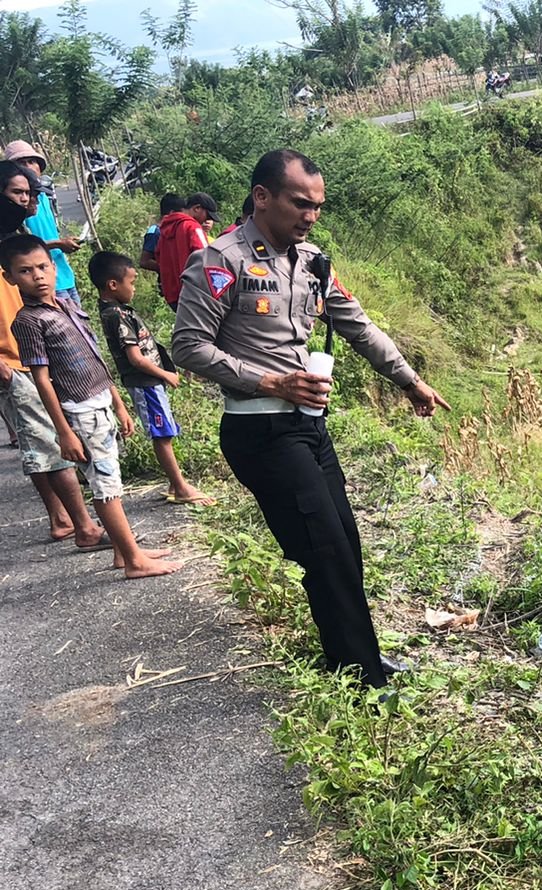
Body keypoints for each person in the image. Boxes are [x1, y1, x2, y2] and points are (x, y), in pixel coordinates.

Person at [172, 148, 446, 687]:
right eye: (300, 203)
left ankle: (357, 656)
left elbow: (359, 326)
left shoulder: (312, 262)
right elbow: (187, 346)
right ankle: (362, 676)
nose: (311, 215)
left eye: (317, 205)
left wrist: (409, 381)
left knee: (344, 545)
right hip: (260, 428)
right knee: (324, 550)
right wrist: (271, 381)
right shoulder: (221, 261)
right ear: (262, 197)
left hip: (308, 426)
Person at [2, 233, 178, 577]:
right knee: (105, 485)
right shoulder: (28, 322)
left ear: (54, 267)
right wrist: (64, 432)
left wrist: (118, 403)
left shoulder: (66, 305)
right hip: (79, 411)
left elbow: (94, 357)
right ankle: (134, 562)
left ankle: (124, 551)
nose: (37, 276)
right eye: (25, 271)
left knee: (112, 479)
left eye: (42, 267)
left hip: (99, 402)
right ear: (9, 278)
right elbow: (42, 380)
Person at [0, 162, 103, 549]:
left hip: (29, 353)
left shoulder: (13, 240)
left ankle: (63, 519)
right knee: (48, 442)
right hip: (12, 361)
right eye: (17, 193)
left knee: (41, 441)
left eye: (28, 194)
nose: (25, 201)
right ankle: (82, 526)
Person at [89, 250, 213, 507]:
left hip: (148, 382)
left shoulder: (116, 310)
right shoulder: (117, 315)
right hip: (145, 383)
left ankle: (175, 483)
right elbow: (136, 358)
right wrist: (165, 374)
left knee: (164, 431)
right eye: (131, 282)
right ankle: (180, 487)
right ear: (113, 285)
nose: (134, 288)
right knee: (162, 434)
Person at [3, 141, 83, 307]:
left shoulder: (43, 198)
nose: (26, 199)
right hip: (41, 285)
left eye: (32, 161)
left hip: (61, 274)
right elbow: (20, 250)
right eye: (22, 163)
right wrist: (58, 244)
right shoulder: (14, 214)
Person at [156, 191, 217, 310]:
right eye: (207, 216)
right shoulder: (193, 227)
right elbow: (207, 260)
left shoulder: (165, 230)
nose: (206, 220)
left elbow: (158, 257)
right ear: (197, 208)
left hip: (172, 295)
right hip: (193, 294)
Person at [140, 192, 184, 278]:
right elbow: (144, 261)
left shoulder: (174, 229)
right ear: (172, 213)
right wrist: (169, 268)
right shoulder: (154, 231)